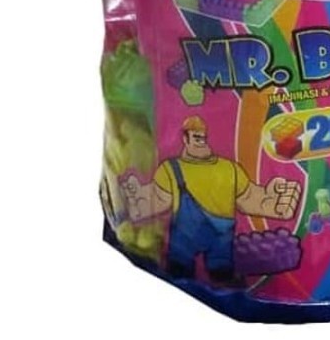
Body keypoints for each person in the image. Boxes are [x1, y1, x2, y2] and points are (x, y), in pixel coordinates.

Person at [122, 116, 302, 281]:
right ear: (185, 138)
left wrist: (272, 203)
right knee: (179, 271)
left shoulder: (229, 169)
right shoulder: (171, 169)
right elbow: (159, 198)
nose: (201, 141)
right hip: (184, 238)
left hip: (221, 237)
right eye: (196, 137)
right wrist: (138, 202)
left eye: (202, 137)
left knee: (223, 274)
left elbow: (247, 197)